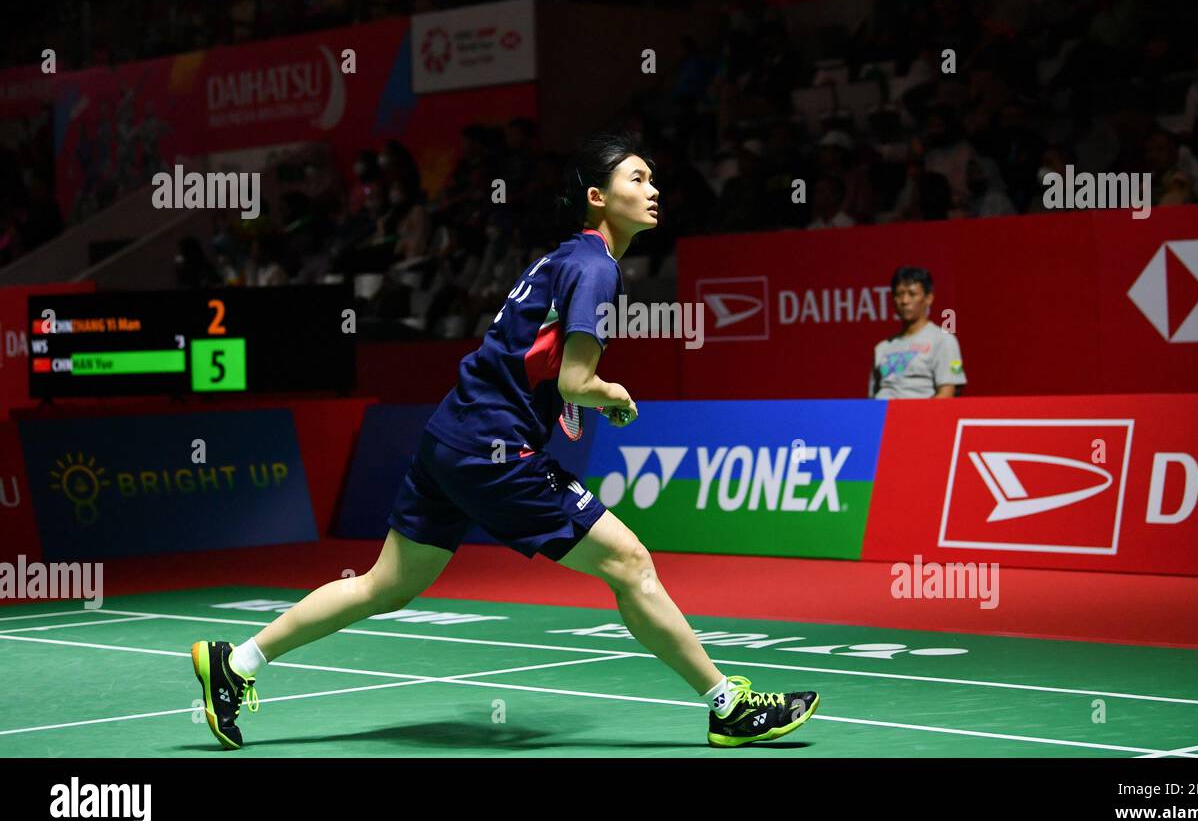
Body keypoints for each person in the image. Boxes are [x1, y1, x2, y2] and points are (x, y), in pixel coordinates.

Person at [192, 131, 820, 750]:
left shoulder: (559, 259)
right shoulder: (595, 270)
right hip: (494, 448)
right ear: (597, 197)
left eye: (652, 179)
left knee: (384, 586)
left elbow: (542, 367)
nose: (653, 190)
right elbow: (576, 382)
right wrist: (615, 395)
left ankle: (239, 660)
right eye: (637, 178)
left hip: (450, 437)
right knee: (629, 563)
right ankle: (728, 707)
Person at [870, 266, 967, 399]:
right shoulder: (882, 348)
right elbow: (871, 399)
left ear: (928, 298)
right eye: (899, 294)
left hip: (919, 416)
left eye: (912, 294)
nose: (904, 301)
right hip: (882, 417)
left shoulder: (943, 340)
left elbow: (947, 393)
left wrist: (918, 417)